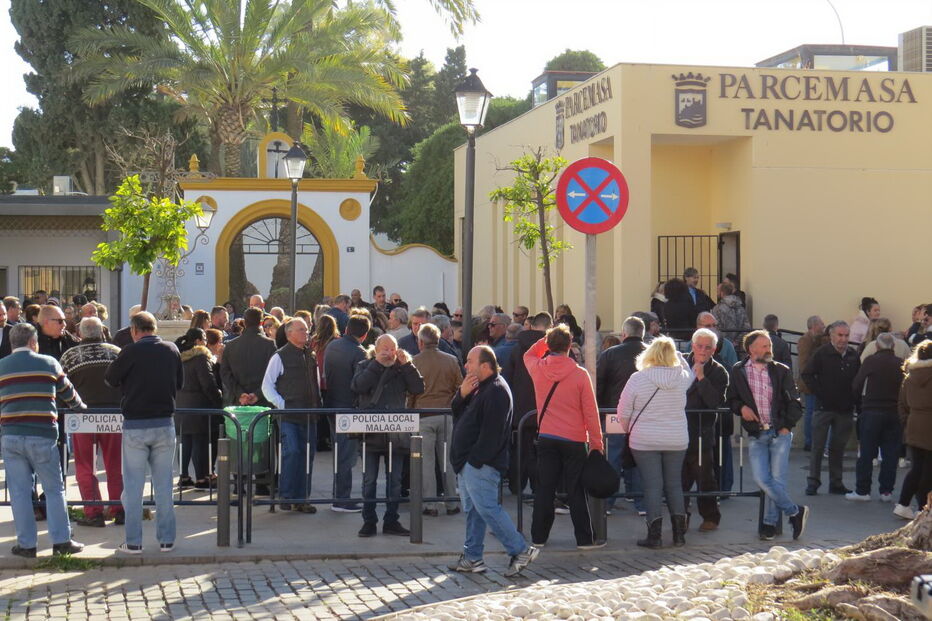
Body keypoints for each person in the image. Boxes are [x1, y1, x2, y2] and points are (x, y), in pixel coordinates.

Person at [448, 345, 540, 577]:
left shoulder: (497, 390)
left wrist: (474, 461)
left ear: (485, 366)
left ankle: (519, 549)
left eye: (470, 361)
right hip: (469, 462)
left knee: (487, 509)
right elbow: (458, 414)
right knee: (474, 511)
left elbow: (492, 434)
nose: (466, 366)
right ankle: (472, 557)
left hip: (480, 464)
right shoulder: (479, 387)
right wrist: (461, 395)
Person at [0, 322, 86, 558]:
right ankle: (61, 541)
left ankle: (26, 545)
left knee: (19, 492)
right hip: (42, 434)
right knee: (54, 489)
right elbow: (69, 395)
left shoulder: (1, 367)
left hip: (11, 436)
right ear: (32, 342)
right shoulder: (49, 363)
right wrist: (81, 408)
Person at [105, 312, 184, 554]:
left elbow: (110, 378)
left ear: (134, 330)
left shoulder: (130, 351)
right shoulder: (172, 350)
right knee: (163, 487)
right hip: (164, 423)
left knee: (133, 487)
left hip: (136, 425)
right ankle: (167, 540)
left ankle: (133, 542)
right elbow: (179, 383)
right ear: (154, 328)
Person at [524, 324, 604, 549]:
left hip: (547, 436)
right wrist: (597, 442)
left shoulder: (538, 368)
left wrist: (545, 341)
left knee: (545, 489)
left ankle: (538, 538)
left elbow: (528, 354)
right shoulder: (580, 374)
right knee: (576, 490)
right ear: (570, 345)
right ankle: (585, 539)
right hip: (575, 438)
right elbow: (590, 411)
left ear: (549, 345)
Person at [728, 330, 809, 541]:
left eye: (769, 346)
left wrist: (787, 426)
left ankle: (769, 524)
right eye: (764, 346)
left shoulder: (781, 370)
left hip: (779, 432)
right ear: (751, 349)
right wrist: (741, 407)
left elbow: (795, 402)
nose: (769, 349)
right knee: (761, 479)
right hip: (757, 433)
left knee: (777, 480)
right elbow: (732, 399)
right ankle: (794, 512)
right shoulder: (738, 371)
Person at [617, 336, 692, 548]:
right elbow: (690, 370)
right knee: (674, 485)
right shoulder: (682, 378)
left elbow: (624, 411)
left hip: (644, 439)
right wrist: (678, 356)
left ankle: (654, 536)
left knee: (652, 486)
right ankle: (679, 535)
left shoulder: (638, 378)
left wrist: (628, 429)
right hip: (676, 438)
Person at [351, 334, 424, 537]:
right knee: (369, 480)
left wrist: (407, 365)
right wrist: (377, 364)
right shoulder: (365, 365)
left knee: (395, 482)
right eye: (384, 348)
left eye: (392, 348)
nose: (389, 352)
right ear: (376, 349)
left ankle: (391, 521)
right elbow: (357, 386)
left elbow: (418, 388)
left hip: (396, 434)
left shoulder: (402, 369)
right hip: (371, 433)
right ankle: (369, 521)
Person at [60, 317, 124, 527]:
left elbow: (61, 386)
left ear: (80, 333)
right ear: (101, 331)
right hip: (112, 414)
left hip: (82, 415)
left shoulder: (70, 356)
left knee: (85, 465)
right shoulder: (115, 352)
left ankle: (93, 511)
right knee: (115, 464)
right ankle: (118, 507)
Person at [262, 317, 322, 514]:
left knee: (307, 456)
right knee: (293, 452)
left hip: (310, 414)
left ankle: (303, 498)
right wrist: (282, 404)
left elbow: (317, 383)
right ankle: (287, 495)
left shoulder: (310, 355)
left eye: (307, 329)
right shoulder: (279, 356)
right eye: (302, 330)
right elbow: (267, 385)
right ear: (290, 334)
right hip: (290, 416)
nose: (306, 333)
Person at [802, 320, 860, 495]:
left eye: (846, 335)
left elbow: (858, 380)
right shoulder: (822, 353)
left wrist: (855, 400)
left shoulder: (853, 355)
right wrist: (820, 393)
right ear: (831, 336)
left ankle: (836, 482)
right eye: (840, 335)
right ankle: (813, 482)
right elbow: (807, 374)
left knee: (838, 448)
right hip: (824, 408)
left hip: (845, 409)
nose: (843, 339)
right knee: (818, 447)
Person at [596, 316, 647, 515]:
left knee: (613, 456)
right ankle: (640, 501)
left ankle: (608, 501)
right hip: (642, 415)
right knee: (639, 456)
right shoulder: (651, 354)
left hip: (614, 413)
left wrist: (598, 410)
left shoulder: (610, 354)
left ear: (624, 333)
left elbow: (599, 384)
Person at [410, 323, 463, 516]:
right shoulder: (451, 360)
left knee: (426, 462)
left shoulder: (414, 361)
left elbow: (410, 392)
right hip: (446, 414)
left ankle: (430, 505)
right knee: (447, 461)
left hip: (423, 415)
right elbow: (460, 387)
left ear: (421, 341)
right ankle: (451, 503)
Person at [848, 333, 904, 503]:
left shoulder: (871, 361)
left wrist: (858, 404)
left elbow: (857, 384)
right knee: (890, 454)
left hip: (871, 411)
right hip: (894, 412)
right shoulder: (900, 363)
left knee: (866, 453)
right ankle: (886, 491)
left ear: (877, 346)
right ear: (892, 347)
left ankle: (862, 490)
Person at [682, 328, 729, 532]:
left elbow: (714, 402)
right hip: (678, 430)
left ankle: (710, 517)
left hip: (702, 433)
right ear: (692, 346)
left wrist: (701, 379)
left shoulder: (719, 371)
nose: (702, 350)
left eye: (707, 347)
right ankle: (680, 518)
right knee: (679, 480)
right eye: (699, 346)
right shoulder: (679, 363)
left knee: (705, 478)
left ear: (714, 349)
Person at [323, 314, 371, 512]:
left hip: (331, 404)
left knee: (340, 453)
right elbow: (359, 384)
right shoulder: (359, 352)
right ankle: (341, 498)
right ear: (365, 334)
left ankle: (340, 496)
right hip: (348, 409)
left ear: (346, 329)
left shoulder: (332, 346)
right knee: (346, 455)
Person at [503, 311, 552, 498]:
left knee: (520, 450)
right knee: (544, 451)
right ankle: (542, 487)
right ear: (550, 325)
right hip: (547, 409)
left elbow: (508, 377)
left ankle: (517, 486)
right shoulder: (553, 347)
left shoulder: (517, 349)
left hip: (521, 410)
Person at [175, 328, 222, 490]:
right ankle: (202, 478)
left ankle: (184, 477)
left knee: (185, 441)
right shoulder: (200, 357)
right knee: (199, 442)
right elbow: (208, 384)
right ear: (197, 341)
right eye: (203, 339)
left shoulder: (179, 358)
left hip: (181, 406)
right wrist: (219, 400)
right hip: (199, 406)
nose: (206, 342)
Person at [896, 342, 932, 520]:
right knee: (928, 470)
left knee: (917, 467)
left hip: (913, 424)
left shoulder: (909, 376)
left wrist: (906, 421)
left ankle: (903, 504)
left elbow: (902, 403)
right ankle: (923, 507)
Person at [220, 307, 277, 408]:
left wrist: (240, 393)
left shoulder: (230, 346)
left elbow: (225, 373)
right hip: (264, 402)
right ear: (261, 323)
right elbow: (274, 374)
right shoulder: (270, 345)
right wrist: (257, 394)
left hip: (239, 402)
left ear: (245, 323)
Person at [796, 315, 827, 451]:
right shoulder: (805, 340)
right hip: (810, 383)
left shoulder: (818, 339)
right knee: (811, 411)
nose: (824, 326)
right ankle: (809, 441)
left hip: (816, 382)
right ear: (814, 326)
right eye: (821, 324)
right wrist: (810, 378)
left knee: (814, 412)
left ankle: (813, 441)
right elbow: (803, 363)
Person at [711, 281, 749, 346]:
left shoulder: (717, 309)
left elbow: (716, 327)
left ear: (722, 292)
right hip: (738, 346)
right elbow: (746, 327)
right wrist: (736, 342)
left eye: (718, 290)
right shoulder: (741, 308)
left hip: (723, 345)